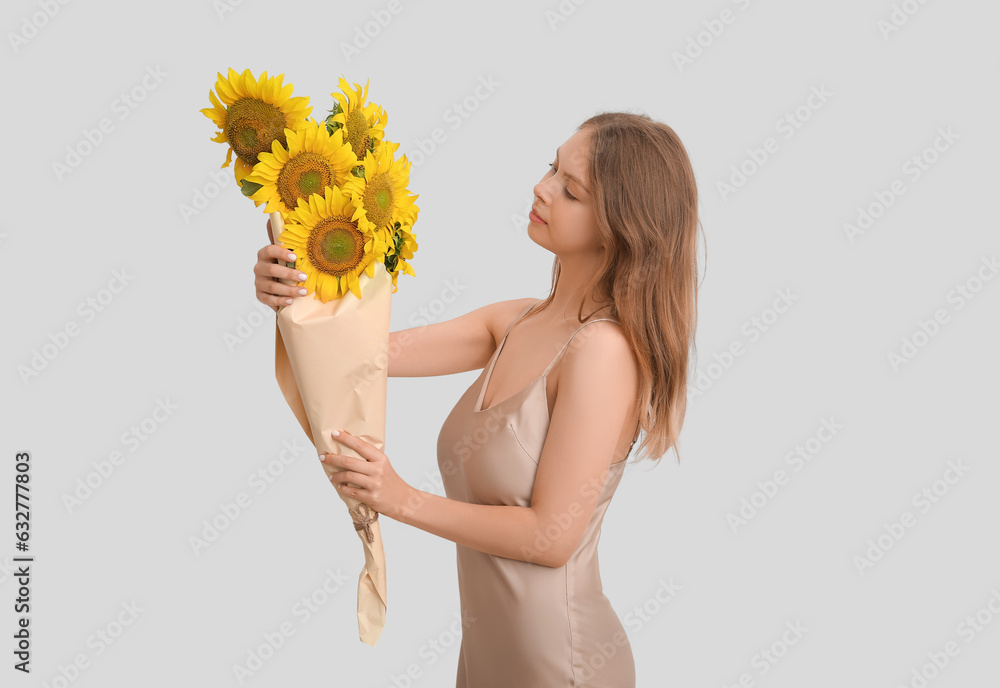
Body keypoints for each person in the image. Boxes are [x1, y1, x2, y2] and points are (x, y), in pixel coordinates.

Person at [253, 111, 700, 687]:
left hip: (564, 665)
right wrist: (291, 294)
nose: (542, 188)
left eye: (572, 189)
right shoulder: (512, 321)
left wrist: (400, 498)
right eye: (551, 167)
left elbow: (552, 536)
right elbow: (355, 354)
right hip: (486, 663)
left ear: (620, 226)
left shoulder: (603, 351)